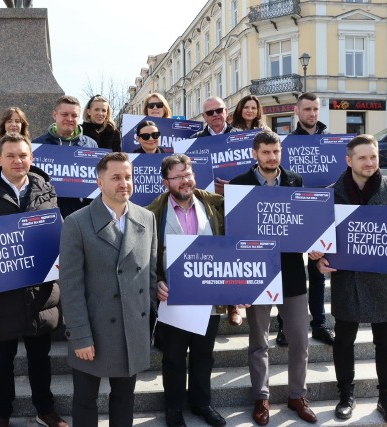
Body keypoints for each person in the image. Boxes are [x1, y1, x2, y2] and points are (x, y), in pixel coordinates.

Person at [0, 133, 67, 427]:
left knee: (40, 359)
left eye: (23, 155)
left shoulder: (47, 190)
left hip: (40, 294)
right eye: (11, 156)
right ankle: (1, 415)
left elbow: (56, 232)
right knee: (1, 360)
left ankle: (45, 410)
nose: (18, 161)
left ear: (31, 158)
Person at [315, 135, 387, 425]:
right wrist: (318, 258)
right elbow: (319, 240)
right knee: (344, 341)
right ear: (349, 160)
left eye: (373, 157)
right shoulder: (330, 193)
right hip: (348, 279)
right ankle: (346, 395)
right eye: (362, 157)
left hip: (384, 280)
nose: (369, 162)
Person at [59, 152, 158, 427]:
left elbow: (149, 275)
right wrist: (79, 336)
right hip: (94, 331)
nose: (123, 183)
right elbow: (71, 285)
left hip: (132, 330)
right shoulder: (77, 222)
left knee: (125, 399)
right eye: (116, 177)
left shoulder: (146, 217)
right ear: (100, 182)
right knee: (85, 400)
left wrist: (147, 324)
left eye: (128, 177)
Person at [229, 131, 317, 426]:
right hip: (257, 274)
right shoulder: (239, 185)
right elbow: (234, 235)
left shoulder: (296, 182)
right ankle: (261, 397)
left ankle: (296, 395)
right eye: (266, 152)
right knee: (259, 342)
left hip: (292, 273)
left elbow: (305, 223)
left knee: (300, 340)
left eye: (276, 152)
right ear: (255, 153)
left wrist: (316, 243)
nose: (271, 157)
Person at [146, 154, 226, 427]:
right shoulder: (153, 213)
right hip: (174, 296)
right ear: (166, 181)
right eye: (178, 176)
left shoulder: (213, 204)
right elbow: (146, 256)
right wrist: (155, 281)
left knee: (205, 354)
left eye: (188, 174)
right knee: (174, 356)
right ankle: (174, 408)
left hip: (209, 294)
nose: (184, 181)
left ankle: (202, 403)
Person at [276, 92, 334, 348]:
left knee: (318, 270)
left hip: (320, 213)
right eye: (307, 109)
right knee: (287, 271)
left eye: (316, 109)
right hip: (292, 212)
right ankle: (284, 327)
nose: (312, 113)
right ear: (297, 112)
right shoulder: (287, 143)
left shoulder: (330, 141)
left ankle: (319, 323)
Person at [189, 96, 241, 325]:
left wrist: (233, 187)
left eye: (219, 110)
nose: (215, 115)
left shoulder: (242, 138)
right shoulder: (194, 142)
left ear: (226, 111)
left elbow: (254, 172)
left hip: (237, 204)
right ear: (204, 117)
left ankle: (234, 304)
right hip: (206, 206)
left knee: (234, 253)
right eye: (209, 113)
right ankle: (212, 298)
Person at [32, 95, 98, 217]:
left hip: (81, 214)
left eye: (74, 115)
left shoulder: (91, 145)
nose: (70, 118)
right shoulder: (37, 145)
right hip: (47, 212)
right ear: (54, 115)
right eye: (64, 114)